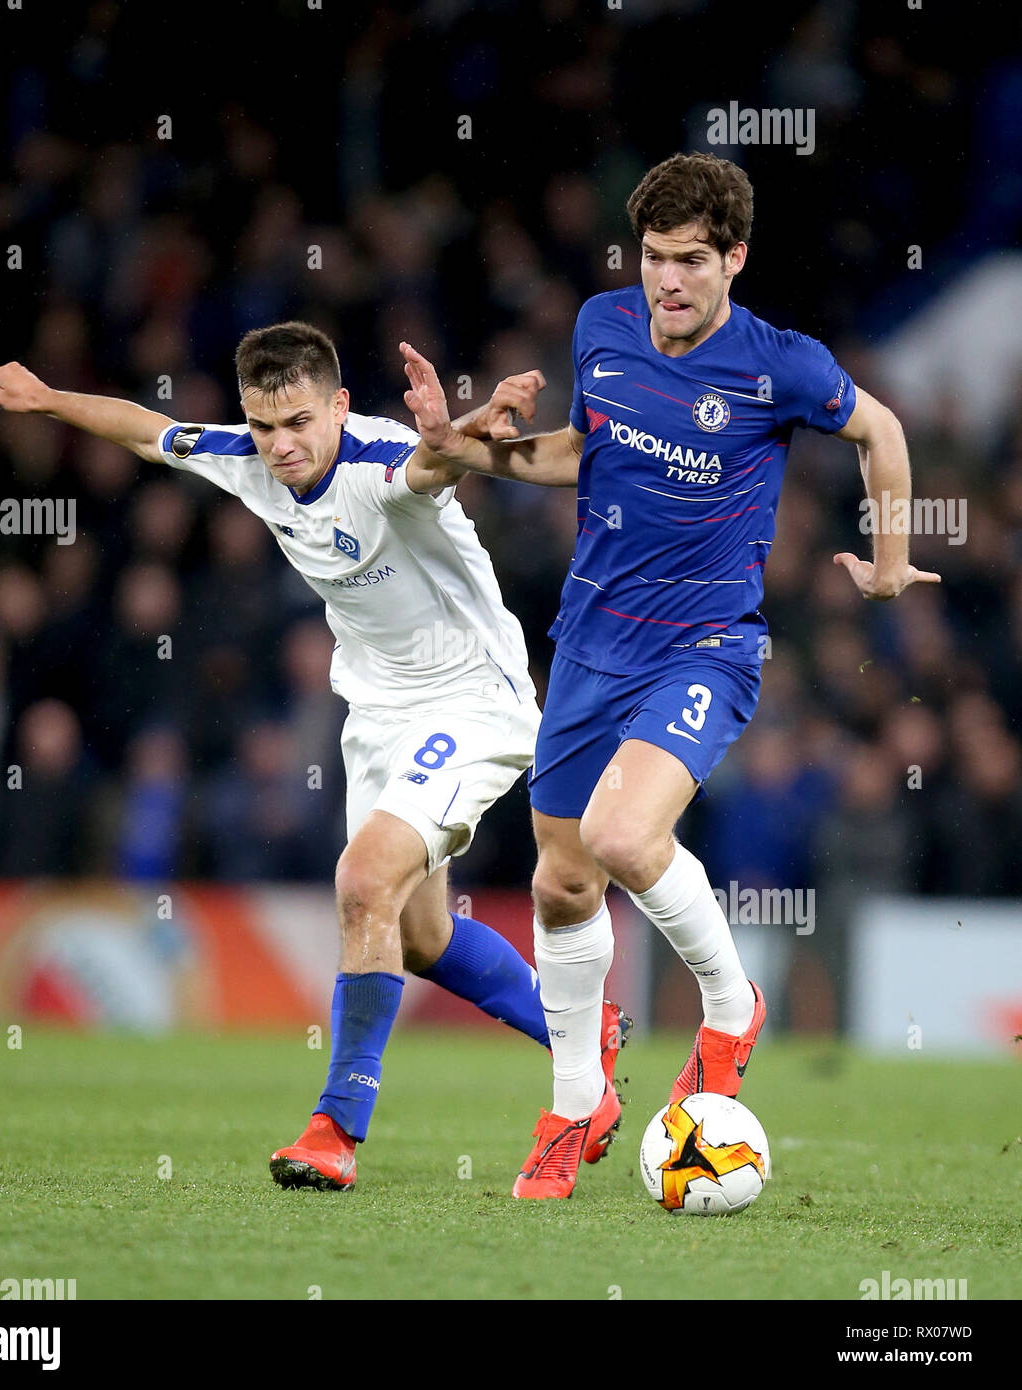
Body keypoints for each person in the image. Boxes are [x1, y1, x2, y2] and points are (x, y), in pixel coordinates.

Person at [0, 321, 630, 1194]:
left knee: (362, 880)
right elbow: (143, 428)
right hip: (377, 713)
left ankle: (335, 1129)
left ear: (338, 407)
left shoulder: (377, 461)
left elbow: (432, 468)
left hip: (472, 700)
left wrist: (467, 429)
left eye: (297, 423)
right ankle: (585, 1033)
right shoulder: (248, 457)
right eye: (262, 426)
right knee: (422, 936)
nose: (280, 446)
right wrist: (49, 397)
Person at [399, 151, 940, 1199]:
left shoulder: (777, 363)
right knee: (561, 883)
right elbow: (579, 452)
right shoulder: (600, 329)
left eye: (691, 260)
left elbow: (882, 427)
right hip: (590, 645)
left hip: (705, 647)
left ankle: (732, 1008)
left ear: (734, 259)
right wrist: (464, 448)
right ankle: (574, 1104)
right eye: (654, 258)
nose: (668, 281)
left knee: (621, 836)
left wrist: (885, 557)